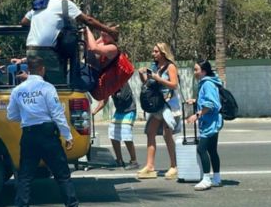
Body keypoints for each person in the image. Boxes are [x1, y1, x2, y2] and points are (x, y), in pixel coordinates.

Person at [7, 56, 90, 207]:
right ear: (42, 69)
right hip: (47, 134)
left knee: (25, 177)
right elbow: (57, 114)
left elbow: (11, 115)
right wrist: (67, 135)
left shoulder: (18, 90)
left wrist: (27, 115)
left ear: (28, 70)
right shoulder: (47, 88)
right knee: (62, 175)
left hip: (29, 134)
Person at [21, 0, 118, 85]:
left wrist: (40, 23)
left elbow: (24, 21)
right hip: (48, 52)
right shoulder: (66, 3)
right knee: (57, 87)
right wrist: (109, 31)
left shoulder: (42, 3)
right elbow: (88, 20)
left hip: (31, 50)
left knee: (36, 83)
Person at [136, 43, 180, 180]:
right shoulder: (155, 67)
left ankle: (174, 165)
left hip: (168, 105)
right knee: (150, 132)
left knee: (167, 135)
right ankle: (150, 166)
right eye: (153, 51)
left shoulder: (170, 66)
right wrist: (142, 75)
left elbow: (174, 84)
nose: (153, 53)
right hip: (157, 104)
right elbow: (147, 83)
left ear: (163, 52)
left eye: (156, 51)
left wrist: (159, 79)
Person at [185, 59, 224, 191]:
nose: (194, 73)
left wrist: (196, 115)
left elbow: (211, 104)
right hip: (213, 121)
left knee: (201, 149)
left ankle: (206, 179)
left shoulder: (207, 84)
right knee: (212, 150)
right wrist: (195, 100)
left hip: (209, 122)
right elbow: (209, 100)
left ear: (203, 71)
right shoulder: (209, 83)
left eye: (196, 70)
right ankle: (217, 178)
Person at [92, 82, 139, 170]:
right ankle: (119, 160)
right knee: (112, 133)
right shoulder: (108, 86)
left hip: (129, 110)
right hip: (119, 111)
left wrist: (112, 90)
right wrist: (94, 112)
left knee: (126, 134)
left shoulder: (123, 82)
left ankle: (134, 161)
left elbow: (124, 97)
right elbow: (103, 101)